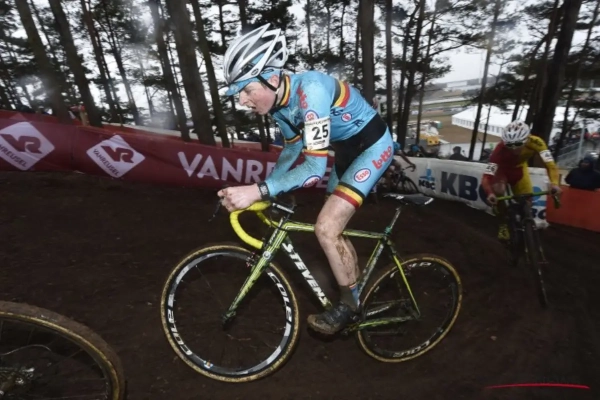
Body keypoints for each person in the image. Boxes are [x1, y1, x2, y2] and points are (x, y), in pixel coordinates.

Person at [217, 23, 394, 335]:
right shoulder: (280, 106)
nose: (242, 101)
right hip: (346, 152)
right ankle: (354, 289)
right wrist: (269, 191)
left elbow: (313, 169)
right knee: (334, 228)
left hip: (372, 148)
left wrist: (258, 191)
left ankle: (350, 307)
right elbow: (292, 149)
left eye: (246, 90)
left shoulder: (310, 91)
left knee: (326, 227)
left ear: (272, 79)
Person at [482, 120, 561, 240]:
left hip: (519, 170)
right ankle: (503, 224)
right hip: (501, 172)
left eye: (518, 144)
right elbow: (487, 177)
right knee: (498, 191)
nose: (514, 149)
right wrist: (490, 193)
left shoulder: (537, 142)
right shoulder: (499, 150)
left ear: (527, 139)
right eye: (509, 145)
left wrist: (554, 184)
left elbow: (550, 165)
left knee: (527, 201)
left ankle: (526, 223)